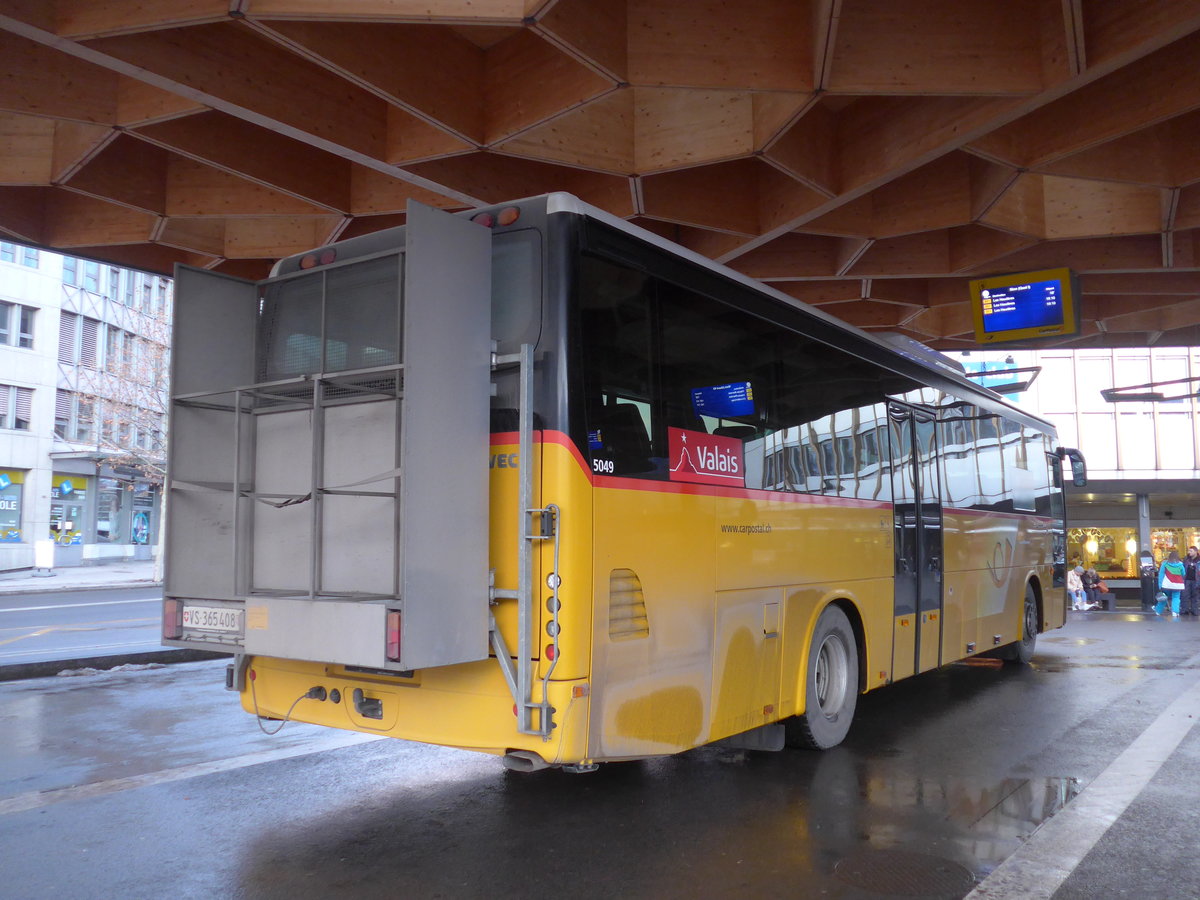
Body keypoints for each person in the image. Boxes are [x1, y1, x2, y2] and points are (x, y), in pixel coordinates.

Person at [1156, 551, 1186, 617]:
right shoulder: (1180, 565)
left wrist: (1160, 585)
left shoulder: (1165, 564)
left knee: (1164, 597)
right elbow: (1183, 573)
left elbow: (1161, 575)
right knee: (1176, 598)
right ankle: (1175, 612)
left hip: (1167, 584)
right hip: (1178, 585)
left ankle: (1158, 611)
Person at [1183, 546, 1200, 616]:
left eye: (1191, 551)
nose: (1189, 552)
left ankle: (1195, 610)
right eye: (1189, 551)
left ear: (1196, 552)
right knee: (1185, 595)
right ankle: (1185, 610)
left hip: (1196, 579)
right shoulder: (1186, 559)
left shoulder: (1199, 560)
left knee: (1195, 596)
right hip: (1187, 579)